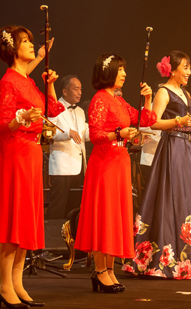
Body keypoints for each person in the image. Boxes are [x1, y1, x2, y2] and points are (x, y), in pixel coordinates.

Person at [123, 51, 191, 280]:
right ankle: (166, 259)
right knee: (173, 197)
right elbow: (154, 122)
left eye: (189, 67)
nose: (189, 72)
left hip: (186, 149)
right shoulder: (164, 91)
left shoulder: (184, 92)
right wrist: (179, 120)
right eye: (185, 67)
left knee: (190, 198)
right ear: (172, 69)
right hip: (172, 148)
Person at [0, 26, 63, 308]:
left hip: (31, 153)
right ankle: (5, 285)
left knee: (25, 222)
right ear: (13, 49)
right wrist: (22, 118)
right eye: (26, 41)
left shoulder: (27, 81)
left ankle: (16, 283)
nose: (31, 45)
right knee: (13, 221)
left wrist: (50, 83)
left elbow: (53, 110)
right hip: (15, 152)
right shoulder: (9, 81)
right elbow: (2, 125)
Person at [74, 54, 155, 292]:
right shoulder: (100, 99)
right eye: (120, 70)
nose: (124, 74)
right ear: (107, 72)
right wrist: (119, 134)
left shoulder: (118, 99)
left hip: (119, 160)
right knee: (104, 216)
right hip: (105, 162)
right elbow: (95, 134)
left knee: (114, 218)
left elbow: (144, 119)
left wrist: (148, 99)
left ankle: (109, 270)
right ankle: (100, 270)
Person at [47, 75, 89, 221]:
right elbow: (49, 133)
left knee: (74, 206)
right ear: (65, 91)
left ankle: (71, 233)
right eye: (76, 89)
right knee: (57, 207)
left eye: (81, 89)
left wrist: (103, 131)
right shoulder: (54, 107)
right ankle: (52, 234)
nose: (80, 92)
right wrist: (67, 133)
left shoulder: (81, 111)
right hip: (62, 166)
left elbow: (84, 134)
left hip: (79, 165)